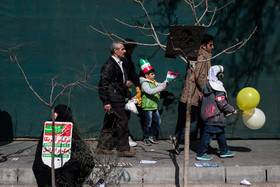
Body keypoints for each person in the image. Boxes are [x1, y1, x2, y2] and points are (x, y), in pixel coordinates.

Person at [171, 34, 215, 154]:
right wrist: (209, 90)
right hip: (194, 96)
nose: (213, 47)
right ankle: (178, 139)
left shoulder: (198, 55)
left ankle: (202, 144)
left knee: (197, 122)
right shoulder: (201, 57)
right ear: (203, 46)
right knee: (194, 124)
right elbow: (200, 77)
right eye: (210, 45)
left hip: (192, 96)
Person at [32, 104, 94, 187]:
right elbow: (40, 151)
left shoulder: (71, 131)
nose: (55, 115)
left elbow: (81, 153)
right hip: (49, 166)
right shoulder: (48, 129)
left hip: (67, 166)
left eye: (57, 113)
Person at [96, 41, 136, 157]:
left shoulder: (122, 63)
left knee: (110, 122)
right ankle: (123, 149)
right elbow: (103, 84)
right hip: (113, 98)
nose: (124, 51)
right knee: (123, 120)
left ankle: (101, 146)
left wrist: (128, 95)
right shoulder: (109, 65)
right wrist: (106, 101)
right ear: (115, 50)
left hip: (118, 96)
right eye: (122, 49)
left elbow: (119, 83)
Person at [195, 65, 237, 161]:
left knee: (220, 133)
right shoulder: (218, 88)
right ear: (220, 75)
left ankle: (224, 150)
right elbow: (221, 102)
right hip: (215, 116)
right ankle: (201, 153)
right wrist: (231, 110)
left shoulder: (205, 86)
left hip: (207, 115)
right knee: (208, 135)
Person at [139, 58, 167, 146]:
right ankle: (145, 138)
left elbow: (161, 85)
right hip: (148, 107)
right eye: (152, 74)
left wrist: (168, 80)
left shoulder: (154, 82)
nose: (154, 75)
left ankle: (152, 136)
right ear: (146, 75)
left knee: (157, 121)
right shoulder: (144, 83)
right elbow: (150, 91)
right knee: (148, 123)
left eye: (153, 74)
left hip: (154, 106)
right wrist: (161, 88)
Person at [123, 38, 139, 147]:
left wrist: (140, 83)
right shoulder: (120, 60)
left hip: (126, 91)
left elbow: (132, 73)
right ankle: (125, 138)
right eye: (131, 50)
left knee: (124, 115)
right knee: (123, 116)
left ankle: (124, 137)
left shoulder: (128, 59)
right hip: (120, 91)